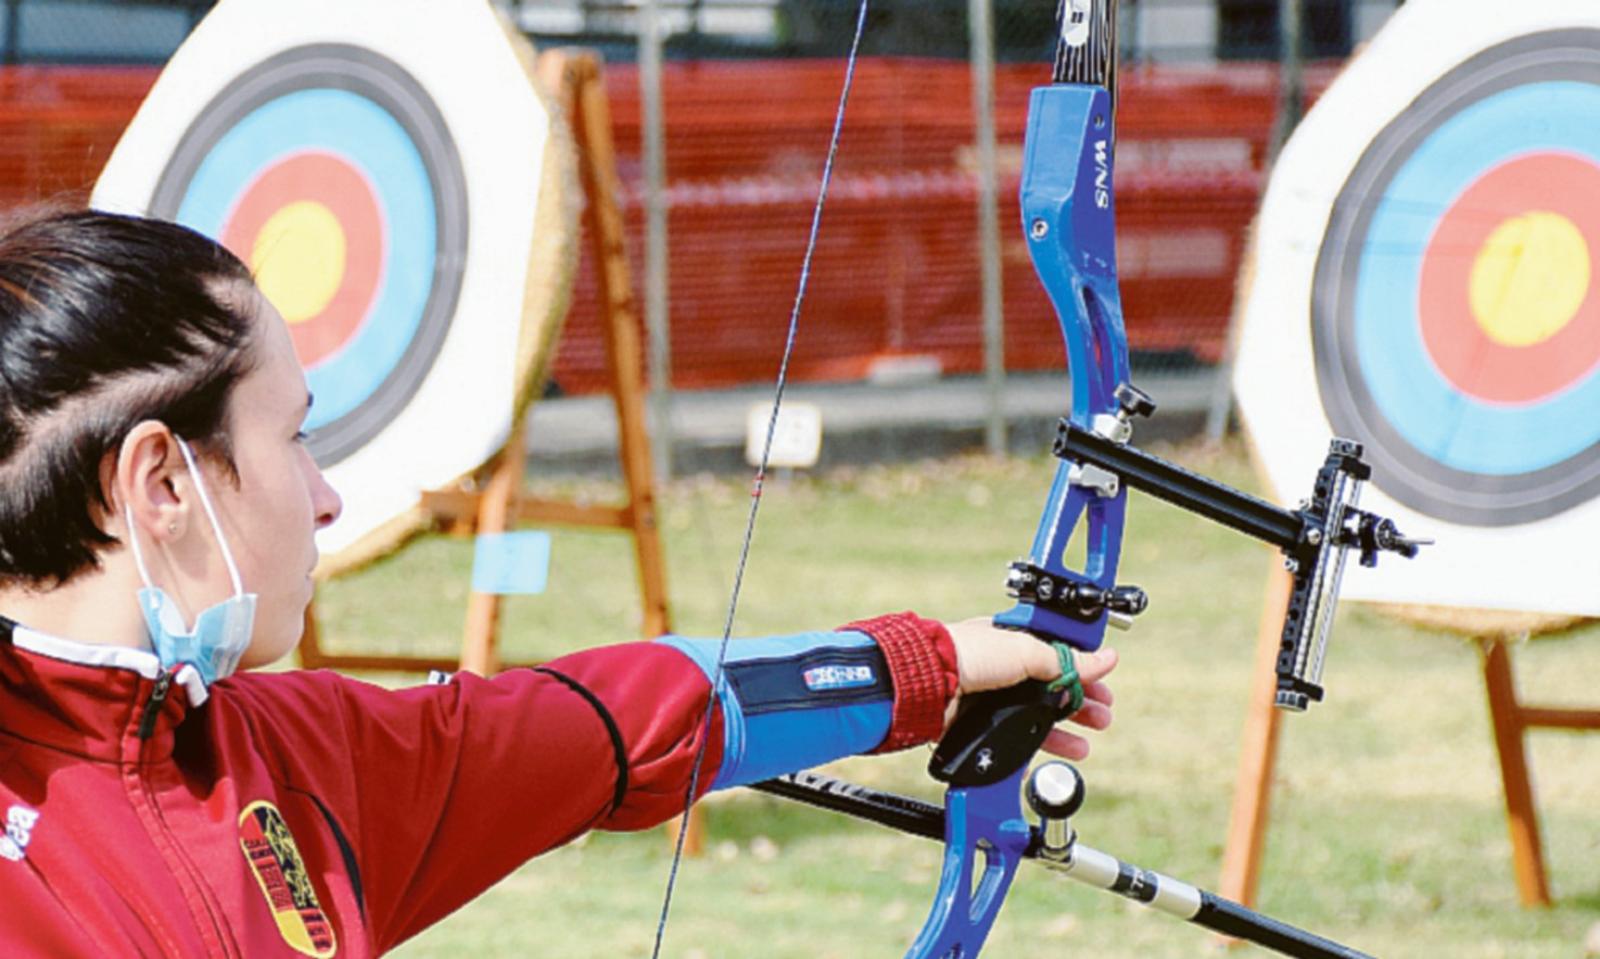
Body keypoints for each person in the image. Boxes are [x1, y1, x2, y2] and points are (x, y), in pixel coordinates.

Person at [0, 209, 1116, 957]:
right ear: (159, 480)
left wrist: (925, 668)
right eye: (294, 437)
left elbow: (613, 725)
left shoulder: (299, 754)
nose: (325, 495)